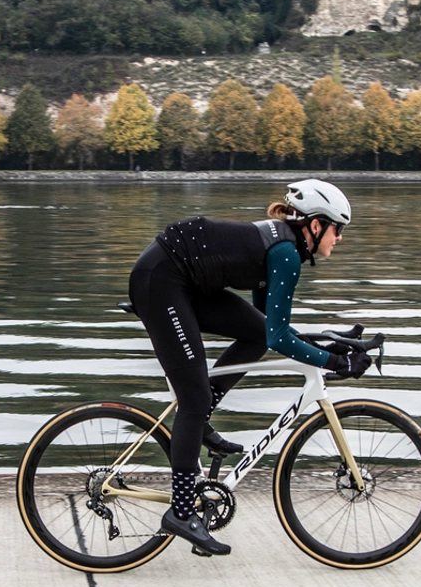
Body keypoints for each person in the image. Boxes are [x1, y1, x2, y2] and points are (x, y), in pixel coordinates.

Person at [128, 179, 371, 556]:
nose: (339, 238)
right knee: (191, 398)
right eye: (338, 230)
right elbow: (281, 340)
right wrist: (337, 362)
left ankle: (202, 418)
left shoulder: (283, 247)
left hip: (179, 279)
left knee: (252, 336)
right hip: (161, 281)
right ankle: (180, 511)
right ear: (316, 225)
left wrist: (326, 342)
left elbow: (269, 329)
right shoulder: (287, 255)